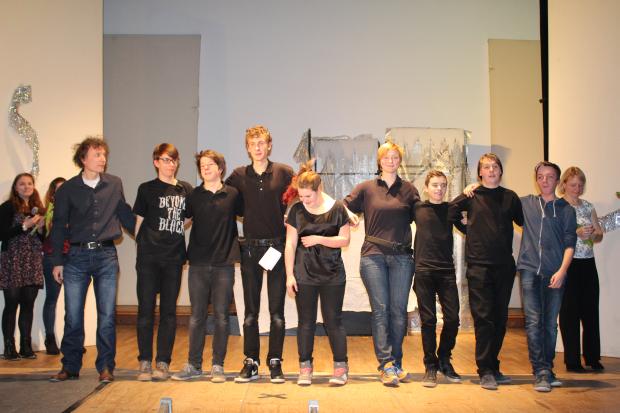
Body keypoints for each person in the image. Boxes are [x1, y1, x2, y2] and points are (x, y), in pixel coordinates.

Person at [49, 136, 135, 383]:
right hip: (76, 257)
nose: (103, 159)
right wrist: (57, 261)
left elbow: (125, 215)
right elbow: (58, 226)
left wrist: (150, 235)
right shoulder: (67, 189)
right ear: (83, 159)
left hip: (106, 256)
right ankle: (70, 366)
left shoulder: (114, 183)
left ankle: (106, 367)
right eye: (97, 155)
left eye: (104, 154)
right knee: (73, 315)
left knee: (107, 315)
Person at [344, 142, 419, 386]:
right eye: (386, 157)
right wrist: (349, 214)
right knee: (381, 310)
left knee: (399, 311)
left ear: (400, 160)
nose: (391, 160)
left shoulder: (409, 190)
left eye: (395, 157)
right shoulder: (366, 188)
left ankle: (396, 363)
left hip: (402, 258)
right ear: (379, 161)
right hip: (373, 255)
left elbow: (425, 215)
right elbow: (341, 206)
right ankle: (386, 364)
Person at [225, 125, 294, 383]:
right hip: (251, 250)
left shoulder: (284, 172)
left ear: (269, 145)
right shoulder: (238, 176)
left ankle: (275, 362)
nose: (258, 147)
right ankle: (251, 362)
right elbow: (225, 201)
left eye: (262, 143)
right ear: (247, 147)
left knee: (277, 313)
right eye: (253, 143)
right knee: (250, 313)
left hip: (276, 248)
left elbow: (301, 197)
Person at [453, 153, 523, 390]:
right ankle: (485, 370)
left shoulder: (510, 197)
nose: (491, 170)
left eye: (495, 166)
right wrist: (466, 225)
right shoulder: (472, 195)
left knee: (500, 320)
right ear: (480, 173)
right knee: (484, 320)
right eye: (486, 167)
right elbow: (450, 210)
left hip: (504, 266)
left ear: (500, 171)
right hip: (479, 266)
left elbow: (525, 222)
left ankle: (493, 366)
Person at [172, 150, 241, 383]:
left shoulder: (232, 194)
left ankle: (217, 366)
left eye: (210, 164)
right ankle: (193, 365)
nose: (206, 168)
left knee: (221, 316)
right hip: (198, 264)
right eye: (202, 165)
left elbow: (250, 215)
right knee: (196, 316)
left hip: (224, 264)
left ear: (220, 168)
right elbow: (182, 221)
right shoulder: (193, 195)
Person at [285, 163, 351, 386]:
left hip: (333, 274)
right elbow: (290, 244)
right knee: (306, 322)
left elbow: (345, 240)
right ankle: (305, 367)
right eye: (301, 196)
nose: (304, 200)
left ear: (319, 189)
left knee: (333, 321)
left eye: (308, 196)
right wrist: (289, 275)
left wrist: (319, 239)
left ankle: (340, 367)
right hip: (304, 274)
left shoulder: (337, 208)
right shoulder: (296, 210)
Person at [134, 144, 193, 381]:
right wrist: (141, 248)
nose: (171, 164)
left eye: (174, 160)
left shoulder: (185, 189)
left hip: (174, 257)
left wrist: (173, 230)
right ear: (156, 162)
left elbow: (187, 219)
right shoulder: (146, 189)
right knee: (146, 309)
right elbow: (139, 221)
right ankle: (145, 361)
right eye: (166, 160)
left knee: (169, 311)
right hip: (148, 257)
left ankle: (163, 362)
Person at [517, 162, 576, 392]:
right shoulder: (526, 203)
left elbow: (570, 244)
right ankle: (541, 372)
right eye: (540, 176)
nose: (544, 180)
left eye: (550, 177)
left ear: (558, 181)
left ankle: (547, 369)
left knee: (550, 324)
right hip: (529, 270)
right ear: (536, 180)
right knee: (533, 322)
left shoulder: (566, 209)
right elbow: (498, 200)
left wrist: (562, 271)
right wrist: (473, 186)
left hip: (555, 273)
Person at [413, 170, 466, 387]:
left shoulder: (451, 209)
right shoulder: (417, 208)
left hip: (446, 271)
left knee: (453, 319)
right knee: (429, 321)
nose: (439, 189)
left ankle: (444, 358)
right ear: (426, 188)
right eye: (435, 185)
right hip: (423, 271)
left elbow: (468, 227)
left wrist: (470, 191)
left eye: (443, 185)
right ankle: (430, 365)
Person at [558, 166, 604, 372]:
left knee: (590, 311)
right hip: (568, 264)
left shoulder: (588, 206)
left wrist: (594, 234)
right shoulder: (559, 206)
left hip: (588, 263)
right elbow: (553, 237)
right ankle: (572, 361)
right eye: (573, 184)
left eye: (580, 185)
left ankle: (593, 358)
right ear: (564, 184)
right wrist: (575, 233)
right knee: (570, 314)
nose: (577, 188)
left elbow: (599, 235)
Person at [0, 173, 45, 360]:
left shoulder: (39, 209)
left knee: (28, 304)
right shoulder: (7, 207)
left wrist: (41, 228)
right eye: (22, 184)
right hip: (13, 260)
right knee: (11, 304)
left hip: (32, 260)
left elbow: (43, 239)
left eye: (29, 183)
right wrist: (24, 226)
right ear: (15, 187)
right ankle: (9, 347)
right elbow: (2, 234)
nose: (26, 187)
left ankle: (26, 346)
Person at [41, 177, 67, 355]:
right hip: (52, 256)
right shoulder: (48, 212)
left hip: (73, 256)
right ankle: (50, 338)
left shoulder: (76, 210)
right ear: (52, 194)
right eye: (58, 189)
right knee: (52, 298)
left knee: (73, 301)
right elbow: (44, 236)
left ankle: (70, 339)